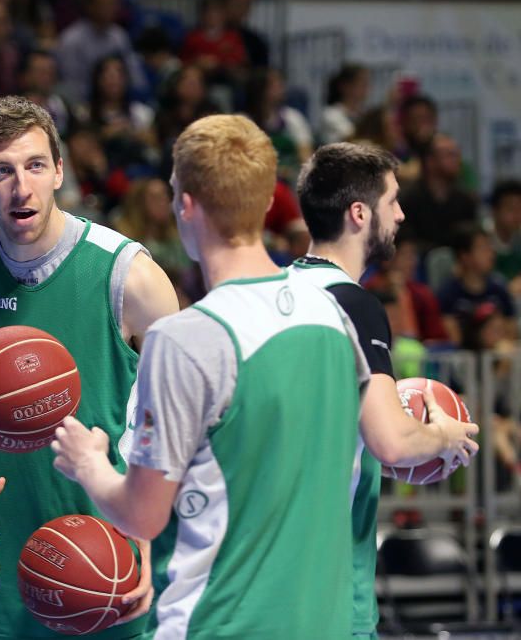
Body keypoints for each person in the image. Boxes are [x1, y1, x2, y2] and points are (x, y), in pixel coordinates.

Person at [52, 114, 370, 638]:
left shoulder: (185, 338)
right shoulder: (334, 314)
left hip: (219, 622)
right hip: (325, 621)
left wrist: (88, 463)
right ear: (268, 201)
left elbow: (143, 515)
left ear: (186, 204)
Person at [0, 95, 177, 639]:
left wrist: (144, 536)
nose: (20, 187)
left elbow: (180, 425)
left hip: (109, 570)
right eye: (1, 171)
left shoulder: (131, 276)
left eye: (33, 166)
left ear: (58, 170)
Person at [290, 142, 481, 638]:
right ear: (359, 213)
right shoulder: (353, 303)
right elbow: (392, 442)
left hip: (272, 573)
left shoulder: (271, 292)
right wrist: (444, 435)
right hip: (332, 586)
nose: (400, 213)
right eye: (392, 200)